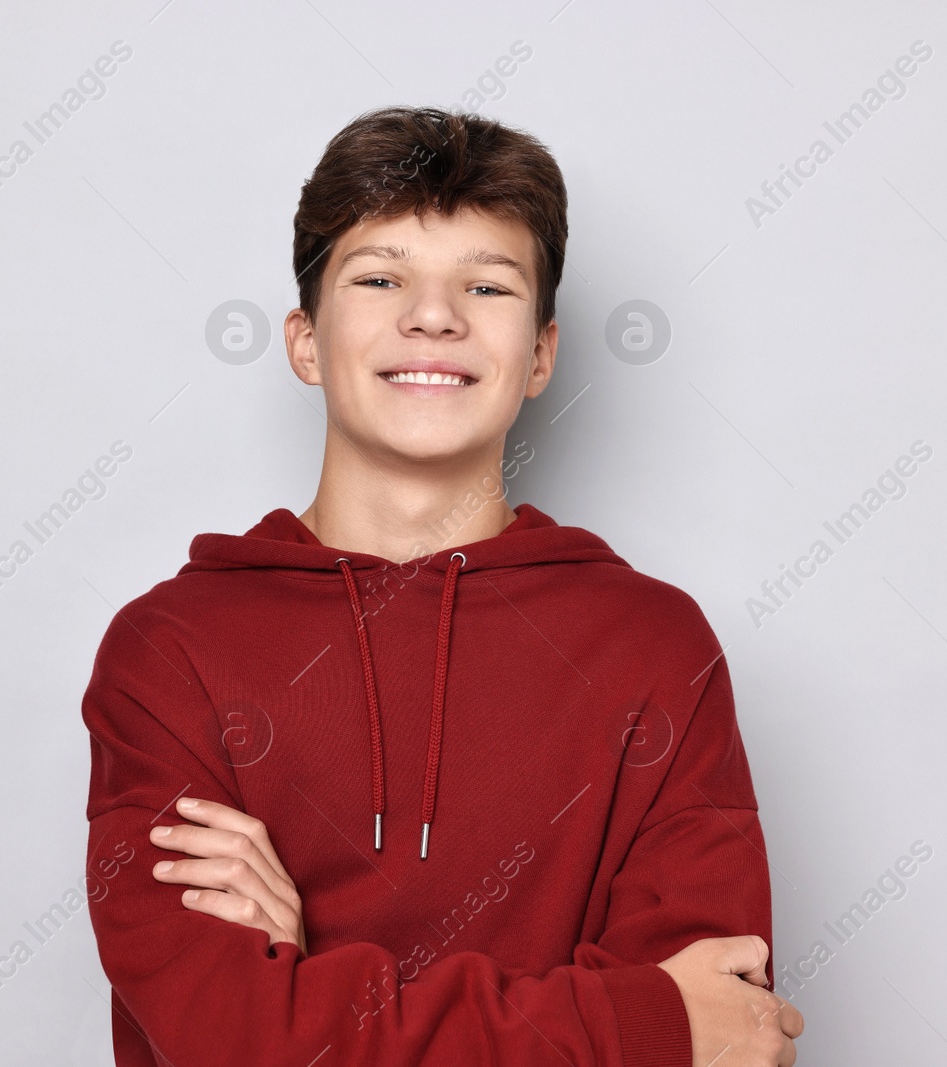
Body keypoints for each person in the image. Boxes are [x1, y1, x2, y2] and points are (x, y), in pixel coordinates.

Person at [81, 105, 803, 1066]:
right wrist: (632, 1023)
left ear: (540, 353)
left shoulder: (656, 647)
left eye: (488, 285)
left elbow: (725, 1030)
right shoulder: (168, 652)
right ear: (304, 340)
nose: (434, 315)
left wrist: (303, 986)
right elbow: (227, 1041)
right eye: (380, 277)